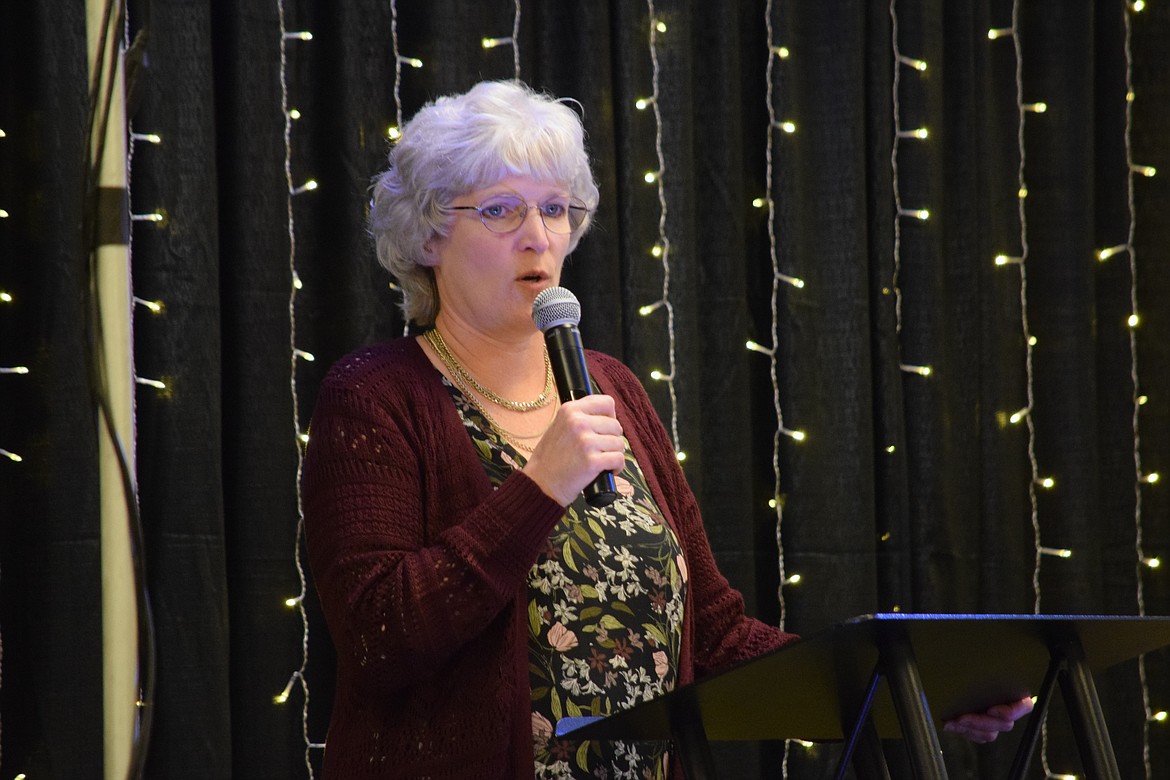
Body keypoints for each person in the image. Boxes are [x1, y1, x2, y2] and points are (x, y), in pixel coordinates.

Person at [301, 80, 1031, 779]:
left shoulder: (610, 387)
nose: (537, 237)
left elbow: (712, 635)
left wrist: (910, 696)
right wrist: (538, 488)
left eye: (556, 209)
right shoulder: (375, 395)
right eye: (500, 210)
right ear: (428, 234)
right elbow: (379, 636)